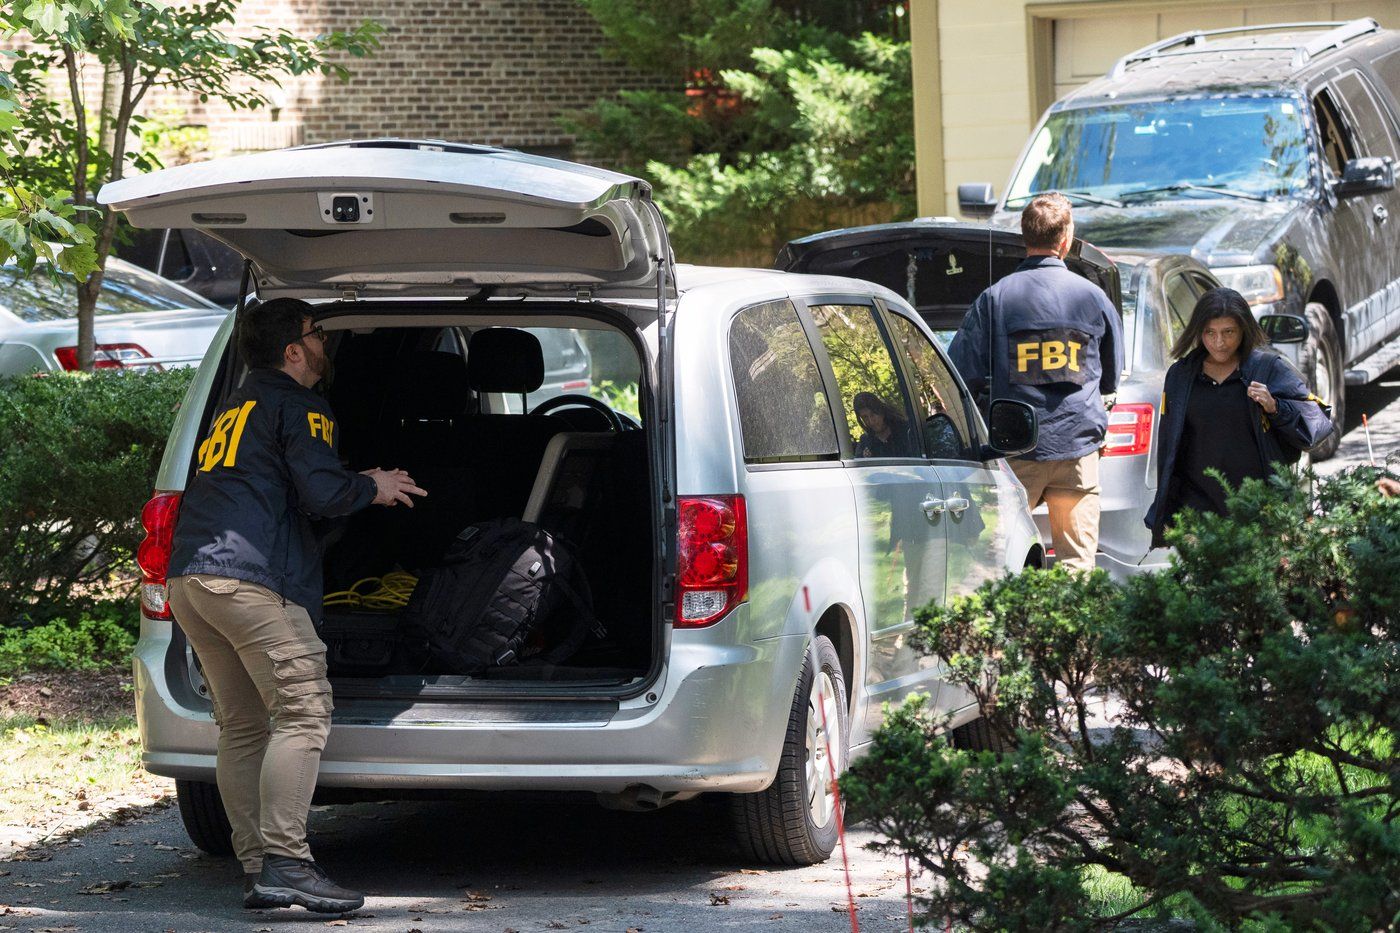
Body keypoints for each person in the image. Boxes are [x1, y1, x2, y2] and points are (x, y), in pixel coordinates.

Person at [165, 297, 426, 913]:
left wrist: (351, 481)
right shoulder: (301, 405)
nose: (324, 343)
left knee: (243, 725)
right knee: (304, 713)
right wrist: (374, 486)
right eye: (317, 334)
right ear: (292, 350)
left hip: (191, 581)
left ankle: (259, 868)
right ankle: (288, 862)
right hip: (249, 581)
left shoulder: (236, 404)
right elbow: (323, 493)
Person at [947, 192, 1123, 571]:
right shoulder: (1093, 298)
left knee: (1001, 561)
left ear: (1025, 237)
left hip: (1017, 453)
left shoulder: (994, 299)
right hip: (1077, 450)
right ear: (1066, 239)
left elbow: (961, 375)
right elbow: (1110, 378)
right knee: (1076, 566)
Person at [1145, 287, 1332, 545]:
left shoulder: (1267, 369)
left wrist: (1275, 407)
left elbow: (1316, 423)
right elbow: (1170, 449)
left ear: (1243, 330)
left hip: (1260, 512)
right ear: (1198, 332)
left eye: (1228, 332)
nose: (1219, 342)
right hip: (1198, 517)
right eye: (1210, 333)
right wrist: (1168, 515)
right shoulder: (1181, 376)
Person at [853, 391, 916, 458]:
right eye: (865, 417)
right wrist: (865, 458)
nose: (871, 421)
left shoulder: (906, 431)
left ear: (880, 410)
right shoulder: (865, 442)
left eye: (873, 414)